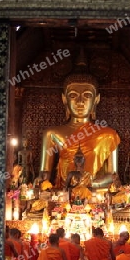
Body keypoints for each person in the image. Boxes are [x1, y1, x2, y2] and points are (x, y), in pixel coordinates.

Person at [39, 50, 120, 188]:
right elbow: (44, 172)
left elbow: (113, 175)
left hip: (95, 196)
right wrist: (40, 180)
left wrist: (90, 183)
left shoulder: (108, 134)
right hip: (63, 194)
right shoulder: (52, 134)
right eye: (73, 95)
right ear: (64, 99)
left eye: (87, 95)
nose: (80, 101)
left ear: (96, 99)